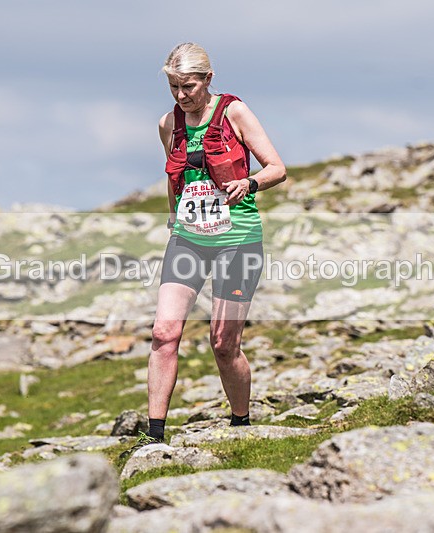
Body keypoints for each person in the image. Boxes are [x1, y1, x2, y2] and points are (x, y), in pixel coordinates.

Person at [131, 42, 287, 450]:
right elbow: (174, 177)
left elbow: (277, 168)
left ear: (208, 79)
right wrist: (172, 219)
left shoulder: (234, 111)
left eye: (189, 86)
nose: (182, 96)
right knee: (164, 332)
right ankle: (154, 436)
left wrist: (248, 183)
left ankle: (240, 423)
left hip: (238, 238)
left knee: (223, 342)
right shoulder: (168, 124)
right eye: (173, 88)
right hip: (189, 238)